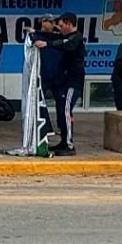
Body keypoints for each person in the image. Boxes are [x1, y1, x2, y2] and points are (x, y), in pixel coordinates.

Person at [34, 12, 86, 156]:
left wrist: (47, 44)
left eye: (62, 26)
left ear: (69, 24)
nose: (60, 28)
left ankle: (69, 144)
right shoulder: (65, 37)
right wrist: (36, 32)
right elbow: (53, 37)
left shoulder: (75, 38)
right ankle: (64, 141)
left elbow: (65, 44)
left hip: (73, 81)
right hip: (65, 80)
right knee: (61, 110)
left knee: (66, 111)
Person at [27, 14, 64, 137]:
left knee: (62, 103)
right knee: (39, 101)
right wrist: (35, 32)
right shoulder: (36, 36)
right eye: (48, 22)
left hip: (58, 75)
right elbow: (34, 41)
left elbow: (65, 39)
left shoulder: (59, 37)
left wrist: (58, 29)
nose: (51, 24)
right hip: (43, 75)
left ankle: (62, 126)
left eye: (53, 22)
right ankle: (44, 127)